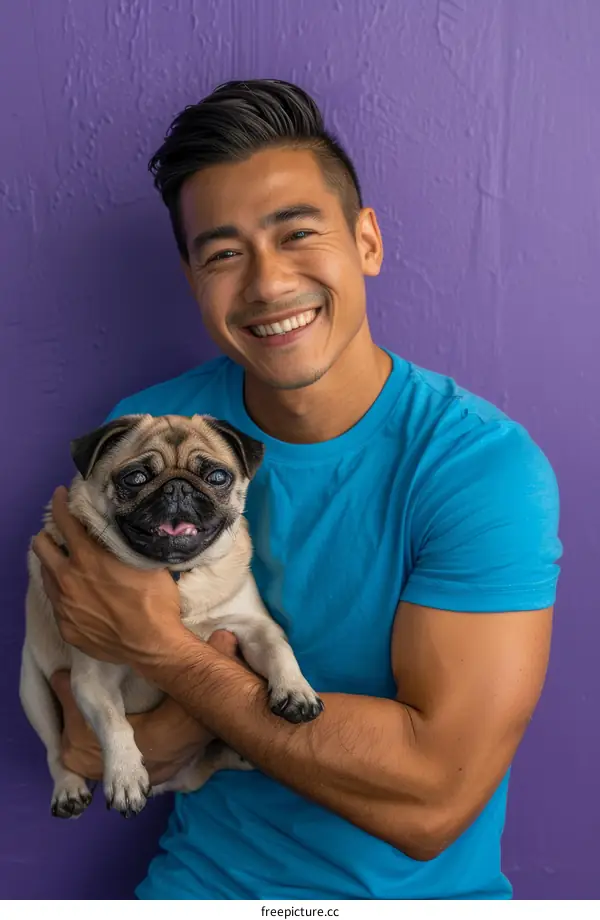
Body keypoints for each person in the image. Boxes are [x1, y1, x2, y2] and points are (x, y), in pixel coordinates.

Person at [33, 79, 562, 901]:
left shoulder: (478, 470)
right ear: (193, 280)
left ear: (368, 241)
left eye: (297, 235)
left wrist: (168, 656)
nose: (268, 283)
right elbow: (87, 749)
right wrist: (166, 708)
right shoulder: (139, 436)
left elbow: (433, 801)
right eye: (223, 253)